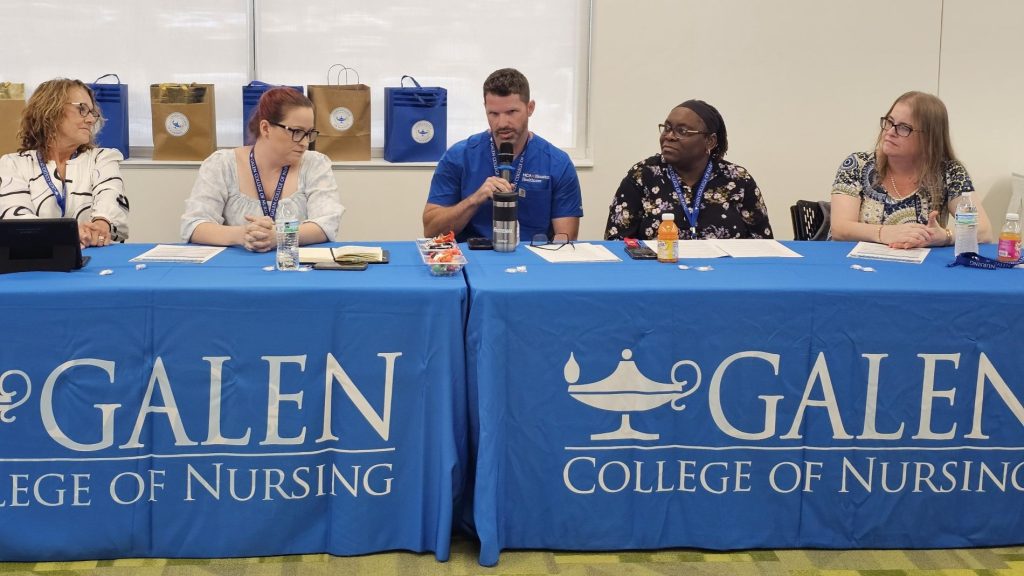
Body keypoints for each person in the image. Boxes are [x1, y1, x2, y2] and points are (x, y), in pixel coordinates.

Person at [423, 68, 582, 242]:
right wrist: (475, 200)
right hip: (473, 259)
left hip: (533, 260)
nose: (502, 123)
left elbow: (566, 238)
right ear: (485, 109)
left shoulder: (558, 163)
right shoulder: (459, 156)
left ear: (530, 108)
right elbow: (431, 230)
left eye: (511, 112)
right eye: (494, 114)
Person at [181, 87, 343, 251]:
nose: (304, 142)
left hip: (294, 269)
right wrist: (242, 234)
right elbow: (194, 226)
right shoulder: (222, 164)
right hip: (235, 269)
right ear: (265, 128)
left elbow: (326, 224)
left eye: (309, 133)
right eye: (297, 131)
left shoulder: (314, 164)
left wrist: (280, 234)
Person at [830, 91, 991, 248]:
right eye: (889, 122)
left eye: (904, 128)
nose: (890, 132)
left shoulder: (950, 172)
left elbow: (984, 231)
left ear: (929, 138)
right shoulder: (857, 164)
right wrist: (884, 233)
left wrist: (945, 236)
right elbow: (840, 228)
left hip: (917, 269)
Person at [604, 100, 772, 241]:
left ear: (710, 142)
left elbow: (764, 246)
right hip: (659, 274)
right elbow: (616, 242)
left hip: (725, 277)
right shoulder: (642, 176)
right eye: (667, 128)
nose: (669, 136)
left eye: (682, 131)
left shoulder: (738, 180)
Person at [0, 78, 129, 246]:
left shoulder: (103, 158)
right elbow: (15, 221)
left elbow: (110, 199)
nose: (91, 120)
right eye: (82, 109)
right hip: (37, 264)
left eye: (92, 112)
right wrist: (67, 235)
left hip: (97, 261)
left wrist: (100, 224)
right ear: (50, 111)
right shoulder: (13, 164)